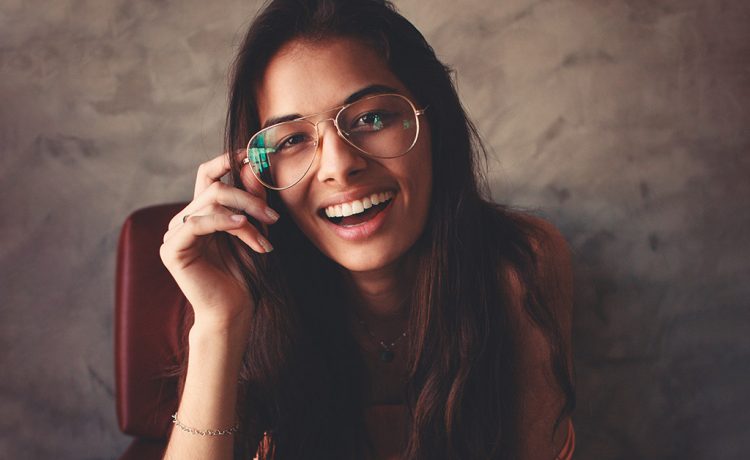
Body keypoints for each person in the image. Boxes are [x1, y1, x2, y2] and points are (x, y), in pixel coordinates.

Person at [159, 0, 575, 458]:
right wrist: (219, 323)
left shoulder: (520, 263)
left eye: (372, 118)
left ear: (433, 122)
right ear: (256, 172)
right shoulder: (240, 290)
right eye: (293, 140)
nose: (339, 166)